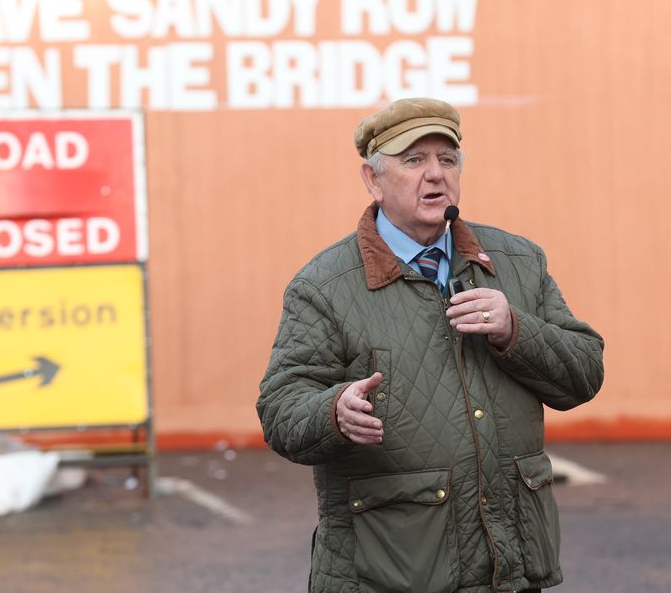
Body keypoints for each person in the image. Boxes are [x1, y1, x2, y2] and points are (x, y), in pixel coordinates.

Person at [256, 97, 604, 593]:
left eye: (448, 159)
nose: (436, 175)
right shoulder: (324, 287)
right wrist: (334, 411)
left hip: (510, 569)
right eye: (414, 160)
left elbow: (585, 373)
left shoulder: (518, 261)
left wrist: (515, 329)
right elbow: (279, 408)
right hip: (387, 573)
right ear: (372, 180)